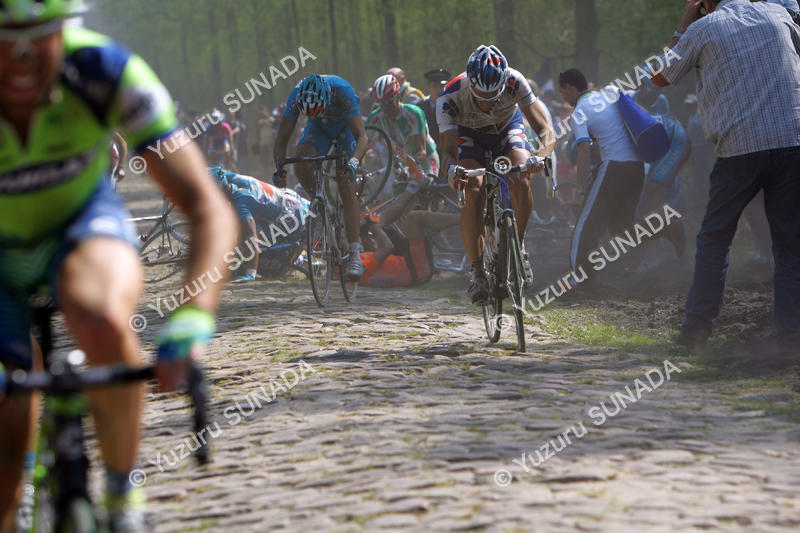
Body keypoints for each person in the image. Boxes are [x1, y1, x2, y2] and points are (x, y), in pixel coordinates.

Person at [0, 2, 238, 532]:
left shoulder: (107, 72)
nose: (19, 55)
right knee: (9, 428)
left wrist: (194, 315)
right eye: (4, 36)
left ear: (66, 28)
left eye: (36, 35)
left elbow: (205, 205)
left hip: (79, 226)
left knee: (104, 319)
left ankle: (122, 496)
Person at [653, 0, 800, 350]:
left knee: (715, 241)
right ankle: (789, 335)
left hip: (739, 149)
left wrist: (684, 24)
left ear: (705, 3)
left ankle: (695, 333)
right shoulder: (777, 14)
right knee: (790, 245)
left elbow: (659, 76)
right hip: (792, 140)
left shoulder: (703, 28)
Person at [438, 45, 554, 303]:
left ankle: (518, 245)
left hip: (507, 131)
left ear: (504, 84)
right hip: (470, 136)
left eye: (494, 97)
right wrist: (454, 170)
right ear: (471, 84)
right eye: (481, 97)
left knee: (521, 178)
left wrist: (542, 157)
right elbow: (447, 153)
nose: (488, 103)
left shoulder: (515, 80)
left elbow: (544, 129)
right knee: (473, 187)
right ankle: (476, 269)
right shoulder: (450, 96)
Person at [272, 74, 369, 280]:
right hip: (318, 129)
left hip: (345, 128)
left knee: (345, 181)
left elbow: (362, 137)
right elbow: (281, 140)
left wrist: (353, 162)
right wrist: (280, 170)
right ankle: (322, 203)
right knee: (301, 158)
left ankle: (354, 253)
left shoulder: (343, 90)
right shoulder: (296, 96)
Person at [558, 68, 646, 283]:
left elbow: (583, 150)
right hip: (637, 167)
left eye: (563, 93)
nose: (564, 99)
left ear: (571, 87)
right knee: (620, 226)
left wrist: (579, 192)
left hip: (615, 167)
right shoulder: (609, 93)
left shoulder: (579, 112)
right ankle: (665, 229)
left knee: (584, 225)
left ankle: (579, 279)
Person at [211, 167, 310, 282]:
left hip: (291, 218)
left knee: (255, 257)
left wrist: (250, 273)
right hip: (290, 199)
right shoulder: (231, 178)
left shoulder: (241, 205)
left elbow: (252, 239)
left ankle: (300, 259)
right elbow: (215, 171)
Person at [360, 180, 460, 288]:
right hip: (416, 270)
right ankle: (466, 218)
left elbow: (371, 254)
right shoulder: (357, 272)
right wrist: (373, 225)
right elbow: (387, 247)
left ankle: (413, 186)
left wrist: (363, 233)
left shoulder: (352, 265)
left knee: (381, 221)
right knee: (414, 218)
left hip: (403, 260)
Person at [367, 74, 439, 178]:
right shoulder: (375, 117)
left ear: (398, 96)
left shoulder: (413, 113)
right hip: (403, 165)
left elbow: (421, 152)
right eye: (381, 103)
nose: (385, 108)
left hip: (426, 161)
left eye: (389, 102)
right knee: (392, 194)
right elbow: (363, 143)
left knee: (415, 188)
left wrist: (409, 169)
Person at [419, 68, 451, 161]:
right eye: (435, 86)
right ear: (429, 87)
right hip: (427, 155)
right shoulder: (420, 107)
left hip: (448, 154)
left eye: (442, 86)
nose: (439, 90)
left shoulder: (453, 107)